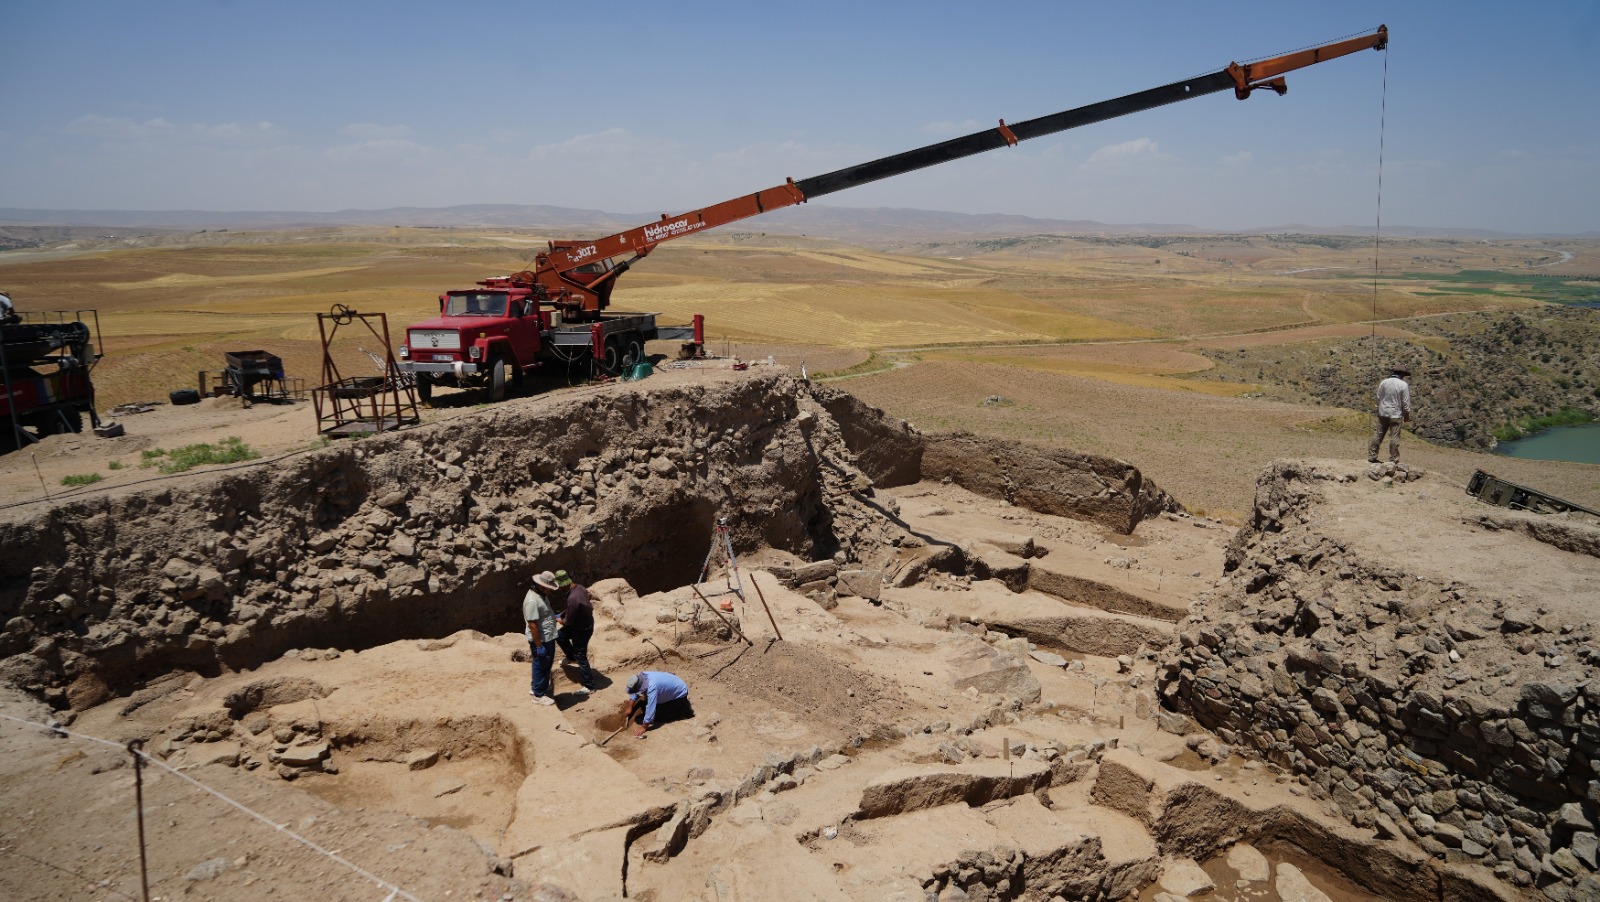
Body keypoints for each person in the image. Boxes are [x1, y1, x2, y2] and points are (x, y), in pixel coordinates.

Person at [553, 570, 596, 694]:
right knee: (560, 636)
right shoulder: (579, 588)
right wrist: (561, 615)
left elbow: (568, 621)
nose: (559, 588)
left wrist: (559, 619)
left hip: (582, 629)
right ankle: (571, 657)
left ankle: (589, 686)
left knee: (581, 655)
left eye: (559, 586)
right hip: (582, 623)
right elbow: (571, 610)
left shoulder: (573, 598)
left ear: (563, 584)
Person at [524, 571, 560, 706]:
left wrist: (554, 617)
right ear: (543, 586)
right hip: (542, 638)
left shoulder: (540, 595)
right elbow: (532, 625)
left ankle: (536, 688)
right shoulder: (532, 600)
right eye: (549, 588)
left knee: (540, 664)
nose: (550, 591)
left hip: (547, 635)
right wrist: (539, 645)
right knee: (543, 665)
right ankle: (539, 695)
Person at [621, 671, 692, 738]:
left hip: (679, 694)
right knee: (646, 703)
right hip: (671, 685)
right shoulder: (641, 677)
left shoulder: (652, 687)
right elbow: (635, 691)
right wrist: (630, 707)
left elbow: (651, 707)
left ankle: (680, 710)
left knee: (657, 717)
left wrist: (644, 727)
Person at [1368, 365, 1412, 464]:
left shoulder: (1383, 382)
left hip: (1383, 412)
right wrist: (1407, 413)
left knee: (1378, 435)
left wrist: (1378, 407)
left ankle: (1372, 456)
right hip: (1396, 414)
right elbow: (1405, 402)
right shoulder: (1403, 385)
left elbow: (1378, 397)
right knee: (1394, 437)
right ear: (1402, 374)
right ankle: (1393, 459)